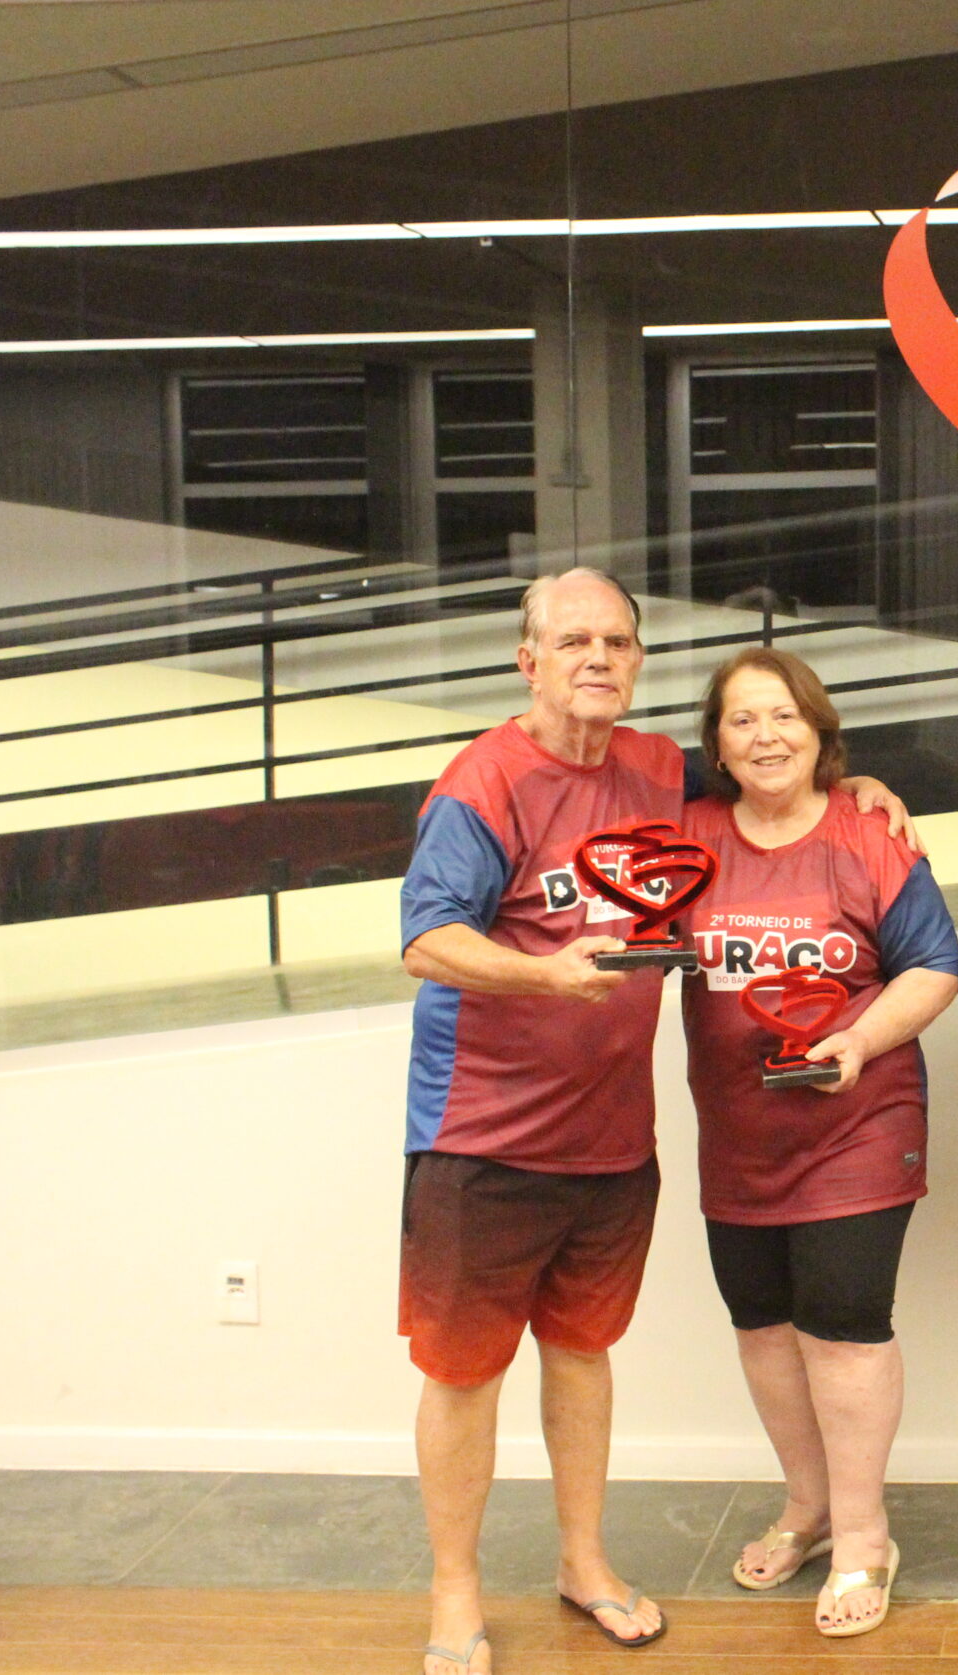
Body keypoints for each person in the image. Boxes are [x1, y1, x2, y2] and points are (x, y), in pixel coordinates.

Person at [396, 567, 677, 1675]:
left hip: (612, 1139)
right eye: (572, 642)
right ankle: (454, 1591)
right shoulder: (484, 782)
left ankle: (583, 1562)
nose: (597, 658)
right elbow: (426, 939)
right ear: (529, 663)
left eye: (616, 641)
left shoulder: (659, 766)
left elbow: (775, 776)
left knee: (583, 1351)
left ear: (637, 660)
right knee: (466, 1372)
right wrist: (545, 974)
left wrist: (866, 789)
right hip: (484, 1138)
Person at [677, 648, 958, 1639]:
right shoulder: (686, 833)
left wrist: (859, 1040)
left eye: (785, 716)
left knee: (842, 1319)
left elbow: (935, 966)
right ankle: (807, 1506)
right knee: (760, 1320)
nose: (767, 736)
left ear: (819, 730)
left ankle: (864, 1534)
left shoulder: (868, 833)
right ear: (715, 744)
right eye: (743, 720)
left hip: (857, 1123)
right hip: (735, 1128)